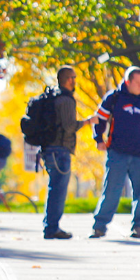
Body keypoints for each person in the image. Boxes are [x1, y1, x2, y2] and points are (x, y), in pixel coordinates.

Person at [91, 66, 140, 239]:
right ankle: (99, 227)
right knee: (111, 191)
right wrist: (98, 139)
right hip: (117, 153)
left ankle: (139, 227)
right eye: (137, 82)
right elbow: (100, 118)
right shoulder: (114, 97)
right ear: (128, 82)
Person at [40, 66, 98, 239]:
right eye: (74, 77)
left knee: (54, 188)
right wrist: (88, 122)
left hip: (49, 149)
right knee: (58, 190)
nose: (75, 81)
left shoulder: (53, 97)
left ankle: (50, 226)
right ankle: (52, 228)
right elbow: (70, 126)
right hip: (59, 150)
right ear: (69, 79)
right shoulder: (66, 100)